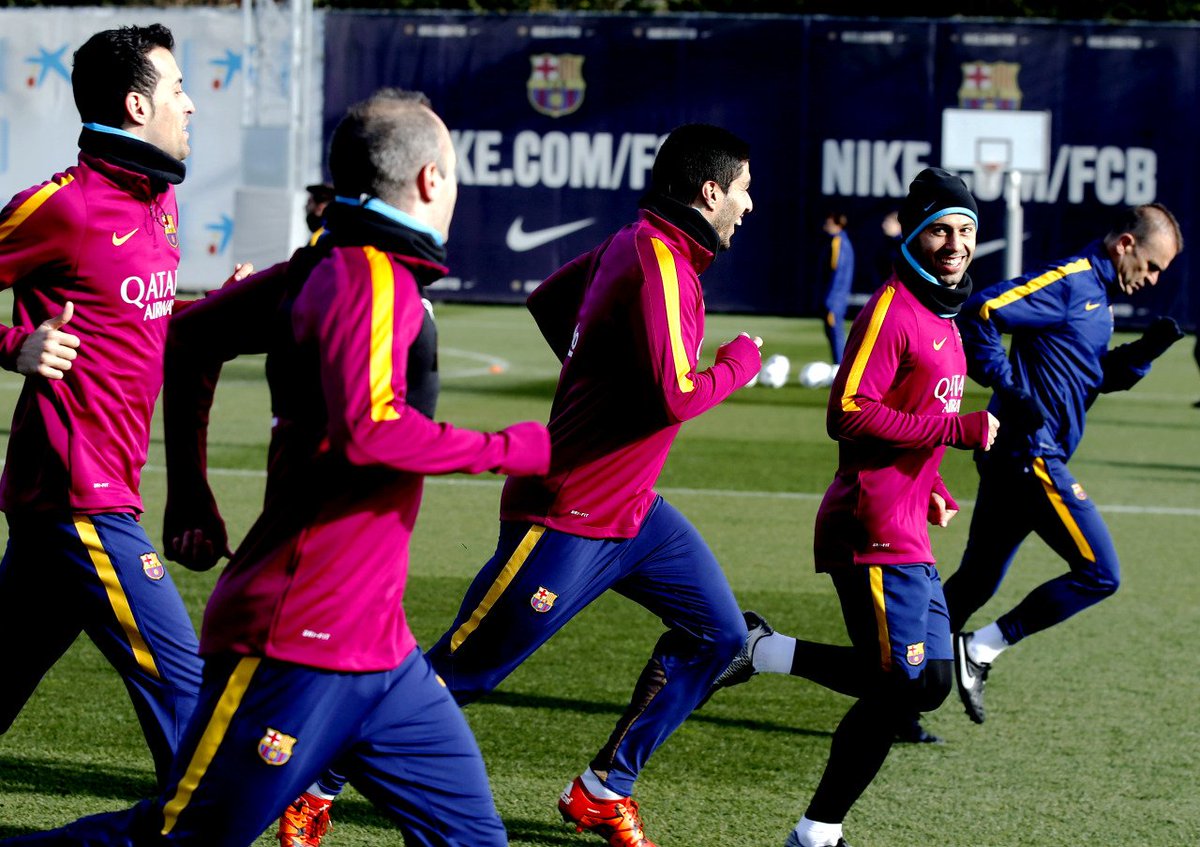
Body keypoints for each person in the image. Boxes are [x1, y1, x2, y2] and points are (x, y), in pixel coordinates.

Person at [1, 89, 550, 847]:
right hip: (297, 638)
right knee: (184, 838)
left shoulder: (326, 265)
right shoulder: (366, 274)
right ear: (431, 180)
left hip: (380, 651)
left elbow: (189, 339)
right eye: (454, 173)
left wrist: (191, 494)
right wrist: (514, 449)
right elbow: (371, 432)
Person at [421, 123, 760, 847]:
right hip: (566, 512)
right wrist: (739, 362)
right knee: (462, 672)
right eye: (743, 188)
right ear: (711, 192)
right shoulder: (658, 259)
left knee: (720, 635)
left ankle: (605, 788)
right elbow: (676, 396)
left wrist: (600, 377)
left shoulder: (639, 244)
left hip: (632, 512)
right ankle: (313, 780)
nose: (749, 204)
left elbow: (549, 302)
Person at [708, 168, 998, 847]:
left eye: (965, 231)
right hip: (869, 525)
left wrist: (933, 483)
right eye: (941, 231)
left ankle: (761, 649)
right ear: (915, 235)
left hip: (906, 525)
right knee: (899, 686)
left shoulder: (945, 317)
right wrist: (955, 430)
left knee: (927, 684)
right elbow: (847, 411)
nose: (955, 245)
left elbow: (912, 413)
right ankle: (817, 832)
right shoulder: (894, 309)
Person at [0, 23, 247, 786]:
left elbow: (142, 323)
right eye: (178, 89)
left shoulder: (159, 200)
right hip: (80, 497)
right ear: (138, 106)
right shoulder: (62, 207)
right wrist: (15, 345)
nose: (191, 106)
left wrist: (220, 311)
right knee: (188, 698)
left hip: (73, 498)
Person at [945, 203, 1184, 725]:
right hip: (1030, 454)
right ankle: (980, 649)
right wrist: (1010, 389)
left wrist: (1144, 352)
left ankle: (898, 688)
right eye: (1151, 266)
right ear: (1125, 244)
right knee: (1101, 573)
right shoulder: (1073, 281)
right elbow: (981, 310)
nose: (1153, 279)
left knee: (975, 583)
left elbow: (1094, 377)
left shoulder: (1100, 297)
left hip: (1018, 456)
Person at [819, 211, 854, 367]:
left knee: (835, 331)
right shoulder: (839, 241)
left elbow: (838, 272)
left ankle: (839, 365)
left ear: (838, 225)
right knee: (832, 330)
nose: (825, 227)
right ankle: (839, 364)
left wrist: (831, 299)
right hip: (836, 296)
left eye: (829, 223)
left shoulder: (838, 242)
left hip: (835, 297)